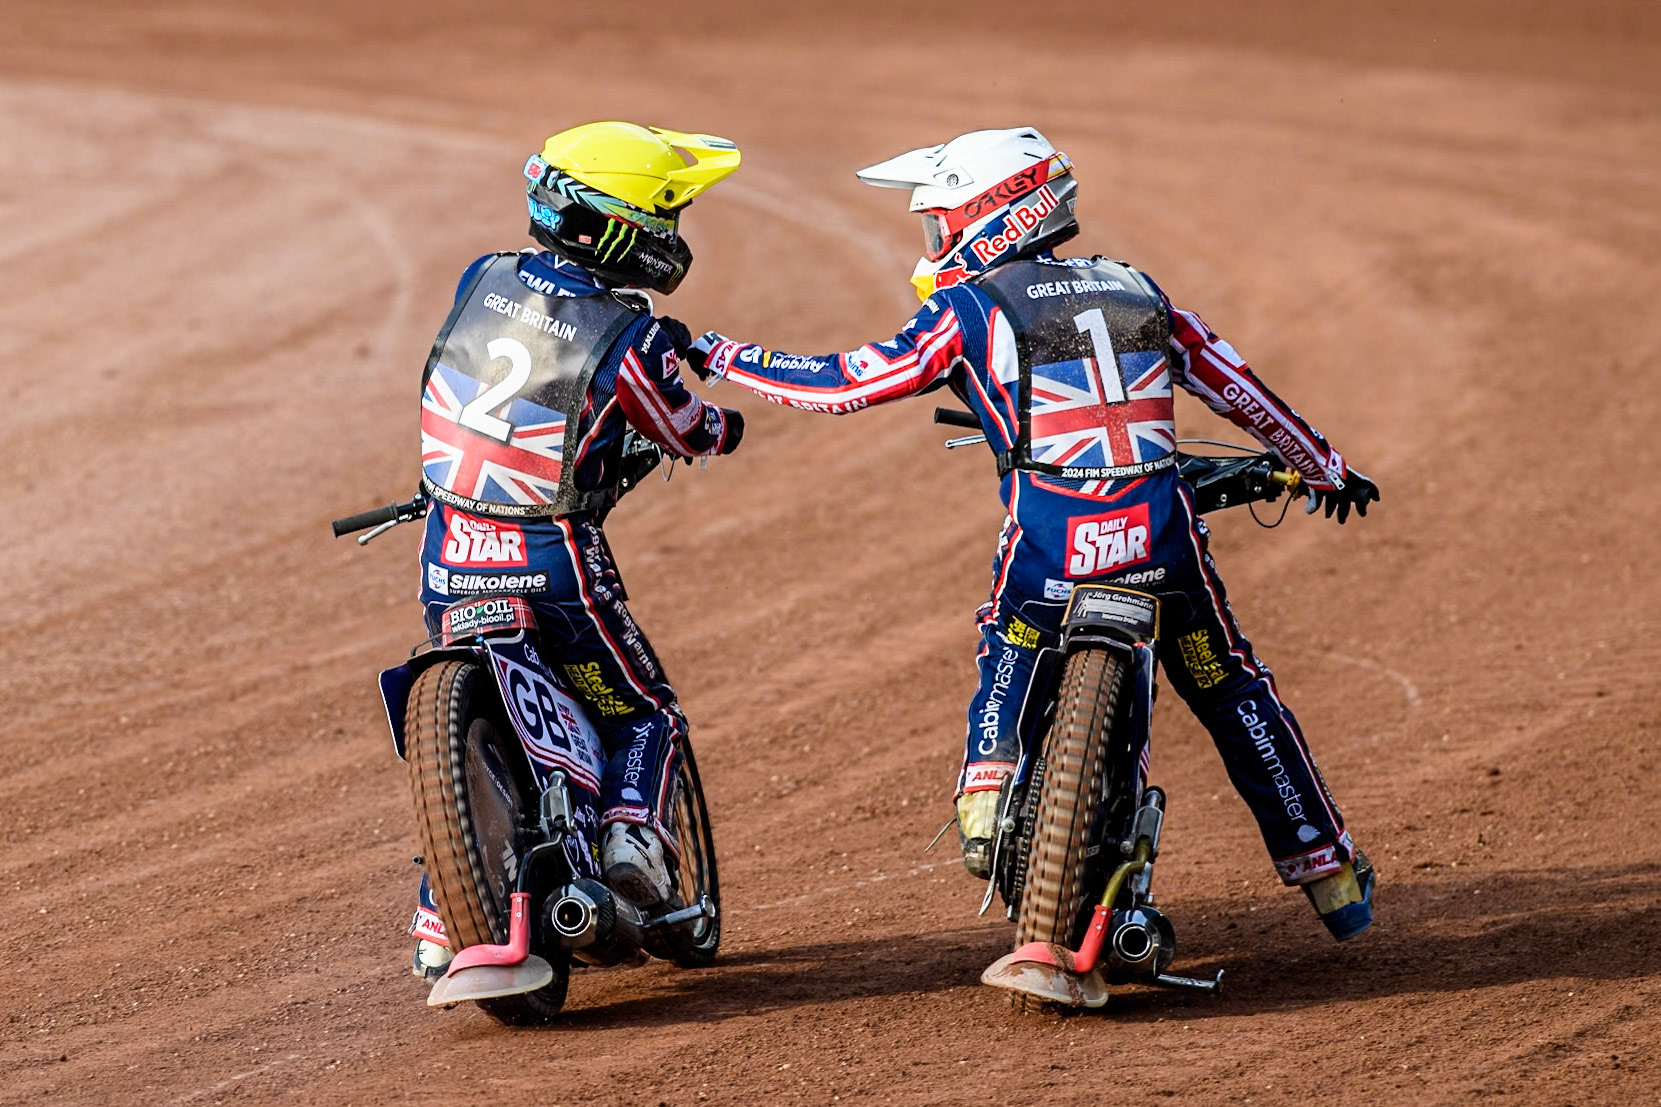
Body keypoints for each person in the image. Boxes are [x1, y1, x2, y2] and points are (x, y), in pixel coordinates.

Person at [675, 127, 1379, 942]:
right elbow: (1241, 392)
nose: (933, 240)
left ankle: (984, 793)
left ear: (991, 215)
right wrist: (1326, 468)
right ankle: (1328, 870)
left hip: (1052, 541)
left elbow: (846, 384)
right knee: (1229, 687)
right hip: (1162, 541)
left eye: (938, 222)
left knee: (1008, 632)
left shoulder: (970, 308)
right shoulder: (1140, 288)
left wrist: (723, 354)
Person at [408, 121, 745, 978]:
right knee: (643, 711)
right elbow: (683, 428)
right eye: (665, 214)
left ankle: (438, 913)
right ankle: (632, 838)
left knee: (466, 720)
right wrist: (721, 424)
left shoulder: (481, 275)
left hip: (450, 552)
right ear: (621, 224)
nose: (672, 232)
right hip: (552, 563)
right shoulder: (631, 337)